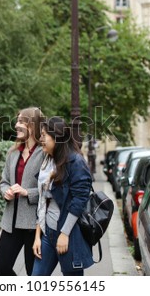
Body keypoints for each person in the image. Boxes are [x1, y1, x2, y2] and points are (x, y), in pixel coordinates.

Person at [32, 116, 94, 276]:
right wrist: (38, 236)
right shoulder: (49, 161)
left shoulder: (76, 162)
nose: (41, 139)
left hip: (68, 234)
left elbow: (79, 201)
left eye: (44, 135)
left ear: (56, 137)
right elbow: (42, 201)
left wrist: (65, 234)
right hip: (48, 234)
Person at [0, 107, 45, 276]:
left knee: (33, 273)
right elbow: (4, 182)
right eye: (17, 121)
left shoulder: (44, 154)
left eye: (21, 121)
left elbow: (50, 189)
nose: (16, 125)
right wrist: (6, 191)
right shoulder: (13, 153)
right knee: (0, 268)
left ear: (33, 125)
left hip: (33, 225)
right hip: (10, 222)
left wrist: (27, 192)